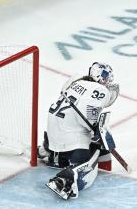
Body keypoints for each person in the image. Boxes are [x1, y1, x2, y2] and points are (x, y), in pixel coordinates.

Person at [38, 62, 119, 200]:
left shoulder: (76, 79)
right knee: (88, 160)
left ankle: (51, 153)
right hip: (70, 137)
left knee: (78, 135)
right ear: (102, 78)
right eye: (107, 79)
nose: (107, 84)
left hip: (52, 131)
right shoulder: (100, 90)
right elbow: (86, 114)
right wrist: (96, 130)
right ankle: (66, 180)